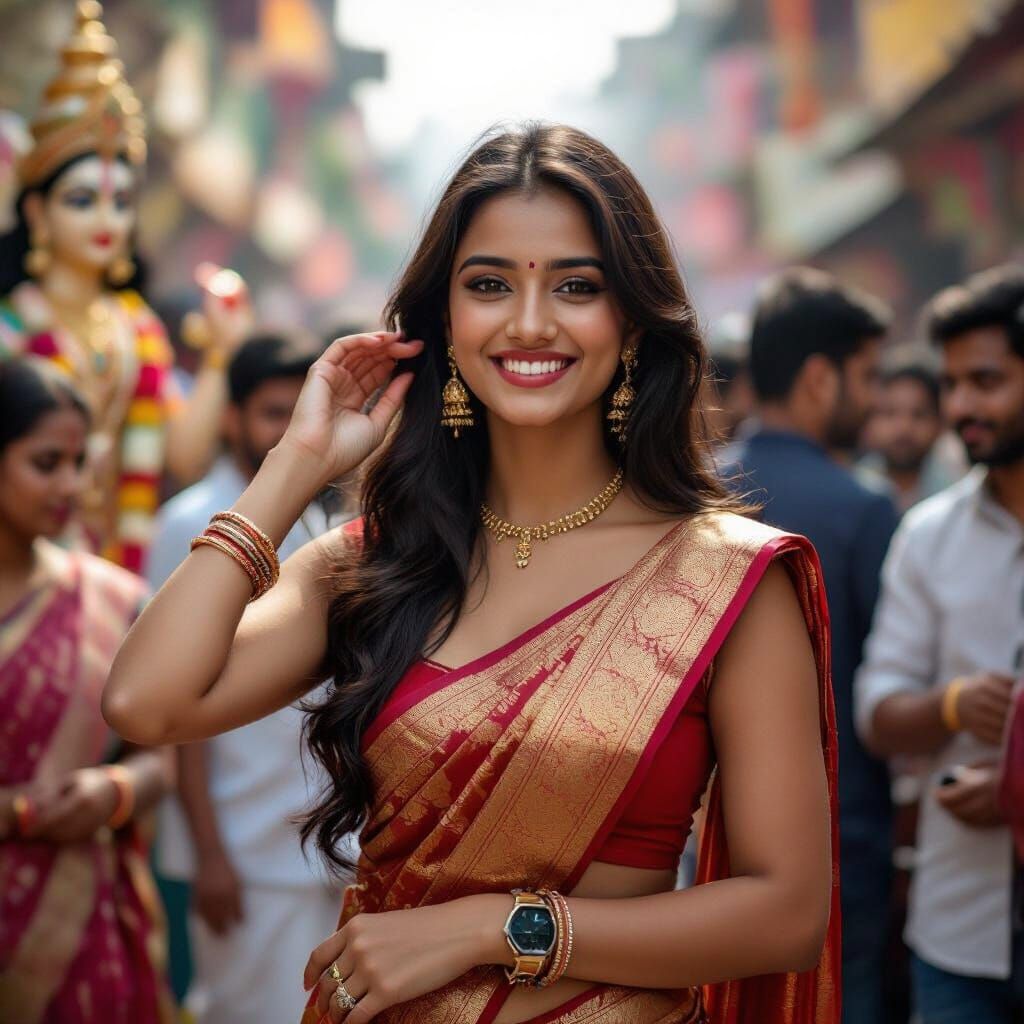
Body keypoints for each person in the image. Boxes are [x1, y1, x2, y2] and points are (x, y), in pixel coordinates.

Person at [104, 123, 839, 1024]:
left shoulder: (728, 583)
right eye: (489, 285)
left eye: (577, 286)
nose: (530, 323)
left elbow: (788, 913)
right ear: (443, 322)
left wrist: (498, 929)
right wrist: (296, 462)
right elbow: (146, 702)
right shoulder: (372, 565)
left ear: (634, 321)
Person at [0, 1, 252, 574]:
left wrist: (219, 351)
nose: (107, 221)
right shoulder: (10, 323)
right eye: (82, 200)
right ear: (36, 213)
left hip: (112, 575)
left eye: (121, 202)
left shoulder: (136, 330)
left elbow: (183, 460)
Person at [147, 332, 352, 1024]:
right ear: (231, 416)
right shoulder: (189, 525)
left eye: (300, 412)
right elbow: (174, 705)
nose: (287, 432)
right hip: (240, 853)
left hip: (324, 847)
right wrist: (209, 853)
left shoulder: (327, 512)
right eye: (272, 413)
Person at [723, 266, 899, 1024]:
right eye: (868, 377)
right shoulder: (862, 509)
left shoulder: (695, 499)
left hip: (709, 859)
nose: (877, 399)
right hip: (840, 849)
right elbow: (878, 689)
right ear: (821, 379)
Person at [855, 265, 1024, 1023]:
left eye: (985, 382)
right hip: (959, 933)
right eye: (953, 384)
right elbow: (877, 709)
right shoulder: (929, 537)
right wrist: (953, 705)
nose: (961, 407)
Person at [0, 357, 175, 1023]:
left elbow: (161, 757)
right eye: (47, 463)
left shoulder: (111, 600)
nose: (71, 485)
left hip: (83, 927)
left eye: (82, 463)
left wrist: (116, 791)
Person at [860, 364, 961, 514]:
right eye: (890, 413)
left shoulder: (956, 494)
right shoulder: (856, 488)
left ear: (940, 424)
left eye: (918, 415)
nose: (904, 427)